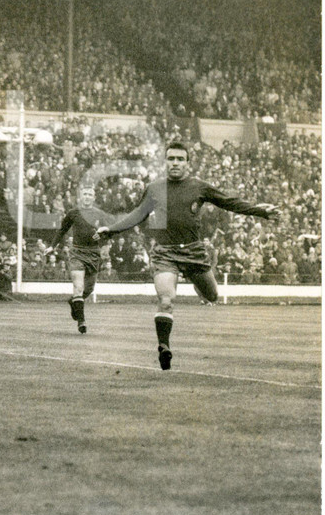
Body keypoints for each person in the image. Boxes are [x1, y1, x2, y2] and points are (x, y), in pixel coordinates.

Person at [95, 141, 278, 370]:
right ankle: (164, 346)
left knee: (212, 296)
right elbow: (137, 214)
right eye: (171, 158)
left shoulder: (199, 187)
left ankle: (196, 282)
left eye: (180, 159)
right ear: (165, 161)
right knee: (166, 300)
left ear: (187, 163)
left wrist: (260, 211)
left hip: (194, 251)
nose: (175, 163)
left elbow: (229, 202)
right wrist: (111, 230)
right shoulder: (154, 188)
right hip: (165, 253)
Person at [46, 185, 111, 334]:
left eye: (90, 194)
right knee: (78, 287)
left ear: (94, 198)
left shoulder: (99, 214)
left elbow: (109, 232)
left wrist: (102, 236)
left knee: (88, 289)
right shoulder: (73, 213)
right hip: (77, 253)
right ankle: (82, 321)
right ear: (81, 197)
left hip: (94, 254)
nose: (87, 196)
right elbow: (62, 230)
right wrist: (52, 246)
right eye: (85, 194)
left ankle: (73, 302)